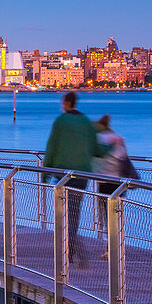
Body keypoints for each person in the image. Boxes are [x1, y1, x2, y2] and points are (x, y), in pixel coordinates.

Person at [42, 92, 109, 265]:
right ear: (75, 102)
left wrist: (45, 173)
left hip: (62, 175)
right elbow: (96, 149)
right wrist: (111, 147)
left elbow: (51, 147)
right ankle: (70, 247)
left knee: (62, 212)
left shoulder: (60, 122)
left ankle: (67, 247)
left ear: (65, 102)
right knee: (74, 212)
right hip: (82, 174)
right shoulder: (86, 122)